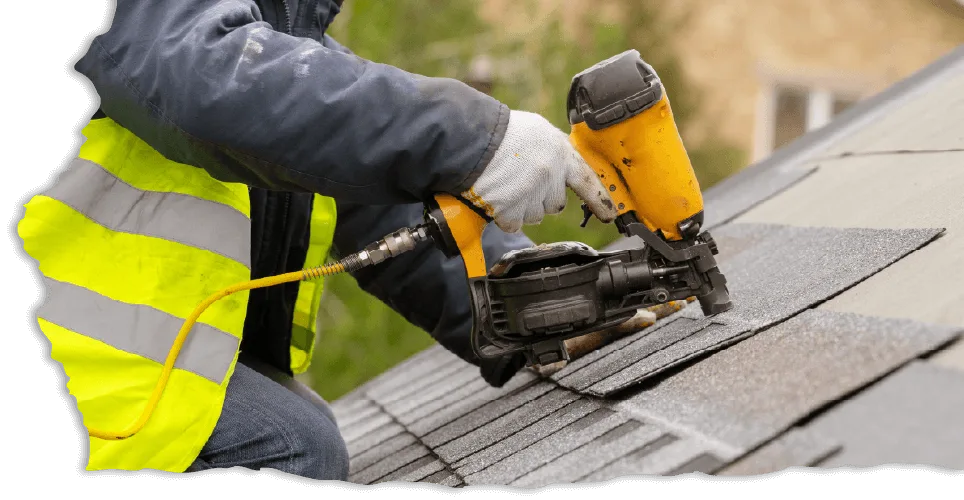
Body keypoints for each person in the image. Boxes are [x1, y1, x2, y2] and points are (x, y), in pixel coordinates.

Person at [18, 0, 627, 481]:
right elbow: (211, 82)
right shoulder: (206, 39)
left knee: (293, 428)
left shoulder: (273, 35)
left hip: (115, 347)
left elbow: (361, 201)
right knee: (287, 446)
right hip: (71, 358)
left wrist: (529, 302)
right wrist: (472, 141)